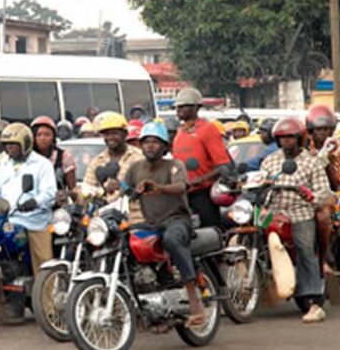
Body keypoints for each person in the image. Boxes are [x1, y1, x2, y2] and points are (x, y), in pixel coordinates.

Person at [124, 121, 205, 326]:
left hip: (177, 220)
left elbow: (180, 186)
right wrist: (114, 186)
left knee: (172, 239)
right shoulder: (135, 168)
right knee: (125, 244)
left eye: (155, 142)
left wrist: (158, 187)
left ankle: (194, 297)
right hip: (150, 223)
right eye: (146, 142)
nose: (150, 146)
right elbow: (125, 187)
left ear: (164, 146)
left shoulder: (174, 165)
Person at [261, 117, 330, 323]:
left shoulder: (311, 162)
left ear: (300, 138)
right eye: (282, 138)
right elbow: (260, 180)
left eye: (291, 138)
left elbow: (323, 192)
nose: (286, 142)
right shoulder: (271, 160)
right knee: (248, 234)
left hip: (300, 213)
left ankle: (314, 302)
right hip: (272, 213)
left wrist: (310, 196)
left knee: (304, 249)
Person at [0, 122, 57, 322]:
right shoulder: (4, 164)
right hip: (9, 219)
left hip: (34, 220)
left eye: (13, 144)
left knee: (44, 263)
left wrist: (35, 201)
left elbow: (50, 193)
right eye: (6, 144)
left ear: (25, 143)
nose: (9, 148)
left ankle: (50, 308)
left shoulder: (42, 164)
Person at [171, 88, 232, 228]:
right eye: (177, 107)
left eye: (183, 106)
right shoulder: (180, 132)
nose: (178, 110)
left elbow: (223, 165)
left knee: (210, 233)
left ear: (195, 107)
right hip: (182, 194)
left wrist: (199, 180)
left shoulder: (208, 129)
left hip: (203, 193)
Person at [305, 105, 340, 275]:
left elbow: (336, 184)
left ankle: (324, 258)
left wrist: (325, 162)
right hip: (298, 193)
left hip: (326, 194)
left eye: (327, 129)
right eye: (319, 129)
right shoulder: (302, 148)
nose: (323, 133)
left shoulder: (337, 149)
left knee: (323, 216)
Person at [83, 112, 144, 205]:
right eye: (107, 134)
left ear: (125, 134)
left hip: (134, 211)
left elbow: (145, 186)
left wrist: (121, 186)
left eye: (115, 133)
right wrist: (102, 191)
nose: (110, 137)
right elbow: (88, 189)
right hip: (103, 213)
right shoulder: (97, 161)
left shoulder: (139, 157)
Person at [30, 116, 76, 201]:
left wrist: (65, 194)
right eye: (38, 135)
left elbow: (73, 190)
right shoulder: (28, 158)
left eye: (47, 135)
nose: (42, 138)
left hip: (57, 206)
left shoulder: (64, 156)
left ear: (53, 137)